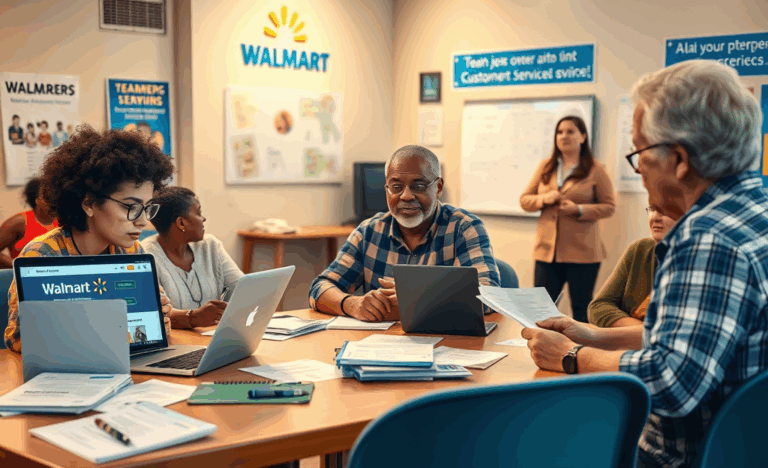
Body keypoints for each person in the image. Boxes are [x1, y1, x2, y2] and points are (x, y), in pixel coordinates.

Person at [521, 60, 768, 468]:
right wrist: (592, 336)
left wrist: (571, 355)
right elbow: (695, 343)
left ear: (681, 160)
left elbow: (671, 382)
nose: (640, 173)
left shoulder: (705, 238)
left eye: (639, 154)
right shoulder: (753, 213)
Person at [3, 125, 176, 353]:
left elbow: (142, 333)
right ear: (89, 204)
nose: (143, 221)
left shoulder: (132, 252)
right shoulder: (42, 255)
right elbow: (18, 339)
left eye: (147, 208)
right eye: (131, 207)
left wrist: (158, 322)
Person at [309, 145, 500, 322]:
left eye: (418, 186)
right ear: (386, 189)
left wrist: (421, 297)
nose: (406, 196)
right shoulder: (369, 231)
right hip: (381, 348)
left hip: (449, 346)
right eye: (396, 187)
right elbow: (320, 288)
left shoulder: (463, 228)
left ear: (438, 188)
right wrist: (352, 304)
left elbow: (489, 296)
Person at [520, 116, 616, 322]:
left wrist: (578, 209)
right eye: (560, 132)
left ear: (583, 137)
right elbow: (525, 200)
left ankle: (580, 353)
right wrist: (544, 199)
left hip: (582, 254)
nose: (564, 136)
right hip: (547, 252)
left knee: (581, 311)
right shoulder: (546, 166)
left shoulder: (596, 169)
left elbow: (609, 207)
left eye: (570, 132)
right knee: (542, 312)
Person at [142, 187, 242, 327]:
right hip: (176, 341)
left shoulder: (210, 246)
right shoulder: (145, 256)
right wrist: (192, 318)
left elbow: (242, 288)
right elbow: (153, 313)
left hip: (211, 336)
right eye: (198, 212)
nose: (203, 219)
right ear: (181, 223)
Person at [588, 207, 675, 328]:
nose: (654, 217)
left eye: (664, 210)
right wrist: (640, 330)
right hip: (628, 343)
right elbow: (598, 306)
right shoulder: (640, 249)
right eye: (651, 209)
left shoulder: (700, 261)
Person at [0, 177, 58, 268]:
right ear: (37, 200)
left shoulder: (63, 221)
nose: (53, 199)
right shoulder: (19, 222)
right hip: (23, 278)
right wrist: (18, 266)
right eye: (47, 196)